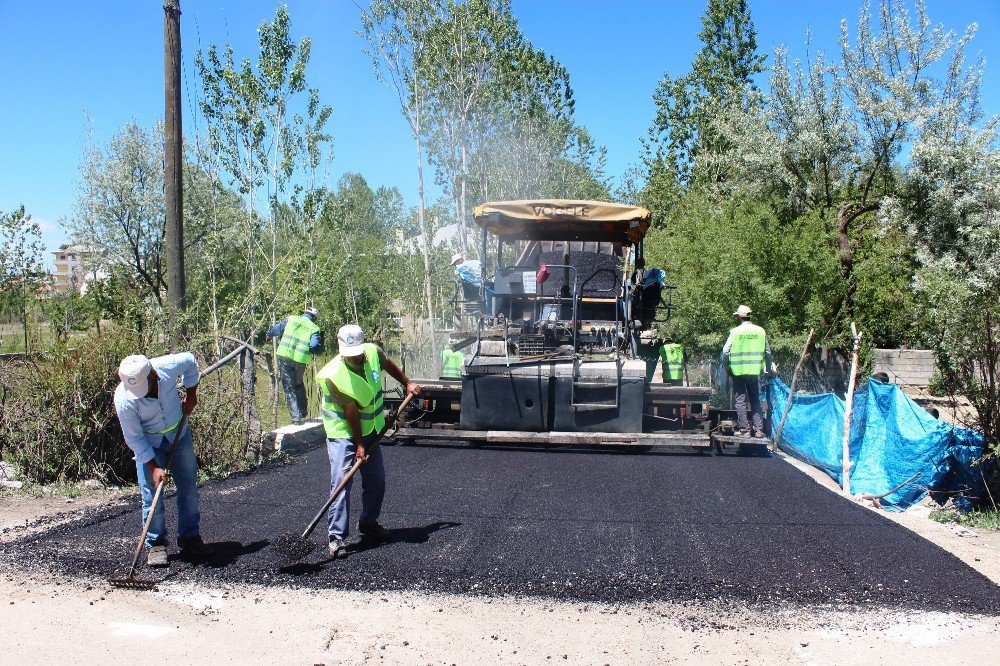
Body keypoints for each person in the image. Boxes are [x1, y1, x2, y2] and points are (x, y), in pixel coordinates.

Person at [315, 324, 421, 558]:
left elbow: (388, 364)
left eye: (357, 354)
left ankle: (368, 523)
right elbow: (350, 410)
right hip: (343, 432)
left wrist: (406, 382)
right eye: (349, 355)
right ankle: (336, 537)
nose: (354, 358)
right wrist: (359, 445)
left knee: (376, 479)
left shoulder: (373, 352)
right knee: (342, 482)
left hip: (371, 428)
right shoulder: (333, 375)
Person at [114, 352, 213, 567]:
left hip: (179, 432)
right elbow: (134, 438)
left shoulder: (168, 367)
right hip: (150, 444)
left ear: (152, 374)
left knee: (188, 488)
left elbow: (190, 361)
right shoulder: (124, 400)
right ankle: (156, 544)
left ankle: (190, 538)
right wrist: (154, 467)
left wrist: (192, 394)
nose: (140, 394)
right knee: (152, 495)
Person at [721, 305, 775, 438]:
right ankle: (759, 430)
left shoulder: (735, 332)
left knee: (740, 400)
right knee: (755, 399)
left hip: (738, 371)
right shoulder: (760, 331)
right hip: (754, 371)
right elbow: (768, 353)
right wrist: (768, 369)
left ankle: (744, 430)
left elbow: (725, 351)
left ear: (739, 316)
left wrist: (727, 366)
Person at [267, 306, 322, 424]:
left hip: (284, 356)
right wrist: (314, 351)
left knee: (288, 388)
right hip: (301, 360)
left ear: (305, 312)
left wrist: (268, 334)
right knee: (298, 383)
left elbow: (276, 330)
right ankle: (303, 410)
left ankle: (296, 418)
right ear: (315, 318)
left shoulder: (290, 319)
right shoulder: (314, 328)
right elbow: (313, 346)